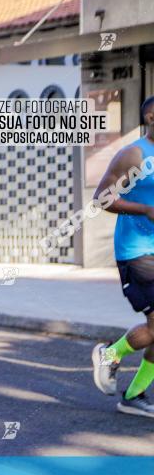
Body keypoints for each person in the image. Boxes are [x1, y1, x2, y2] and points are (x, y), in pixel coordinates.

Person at [92, 95, 154, 418]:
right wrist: (143, 209)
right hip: (135, 251)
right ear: (151, 117)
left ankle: (135, 394)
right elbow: (100, 198)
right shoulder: (134, 154)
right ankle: (111, 354)